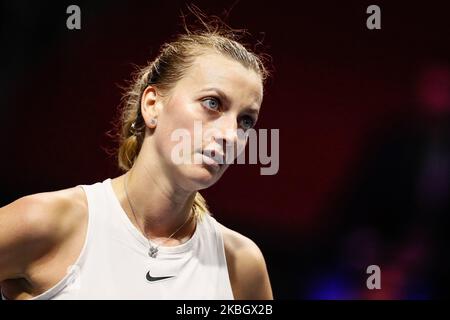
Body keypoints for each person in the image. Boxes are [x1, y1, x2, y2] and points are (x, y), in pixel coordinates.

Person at [0, 14, 273, 300]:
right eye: (212, 103)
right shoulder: (46, 221)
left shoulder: (241, 265)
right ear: (153, 105)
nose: (231, 135)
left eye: (245, 121)